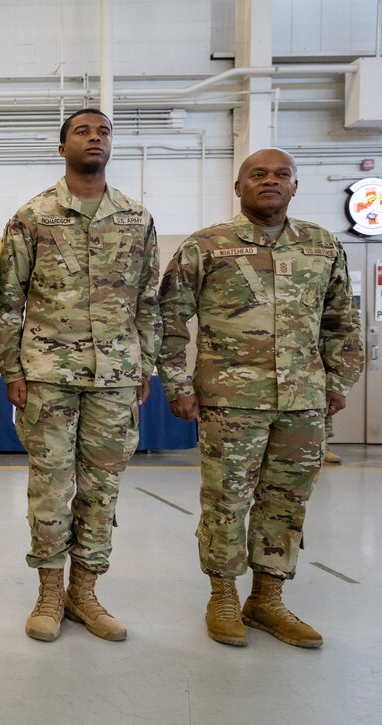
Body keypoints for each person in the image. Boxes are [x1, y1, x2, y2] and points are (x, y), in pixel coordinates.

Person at [158, 148, 363, 649]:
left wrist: (337, 382)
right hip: (231, 402)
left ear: (294, 186)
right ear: (239, 186)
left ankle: (268, 599)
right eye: (258, 174)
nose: (269, 181)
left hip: (302, 402)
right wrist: (178, 385)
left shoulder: (321, 246)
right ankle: (224, 595)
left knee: (287, 502)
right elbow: (167, 320)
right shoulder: (206, 246)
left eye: (281, 175)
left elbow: (342, 322)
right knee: (226, 501)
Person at [0, 108, 160, 643]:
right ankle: (48, 593)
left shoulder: (137, 218)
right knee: (50, 487)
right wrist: (12, 370)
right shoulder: (34, 216)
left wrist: (145, 365)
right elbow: (8, 301)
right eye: (83, 132)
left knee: (103, 488)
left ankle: (85, 593)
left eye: (103, 131)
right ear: (62, 145)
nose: (95, 138)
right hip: (49, 375)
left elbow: (148, 301)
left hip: (115, 376)